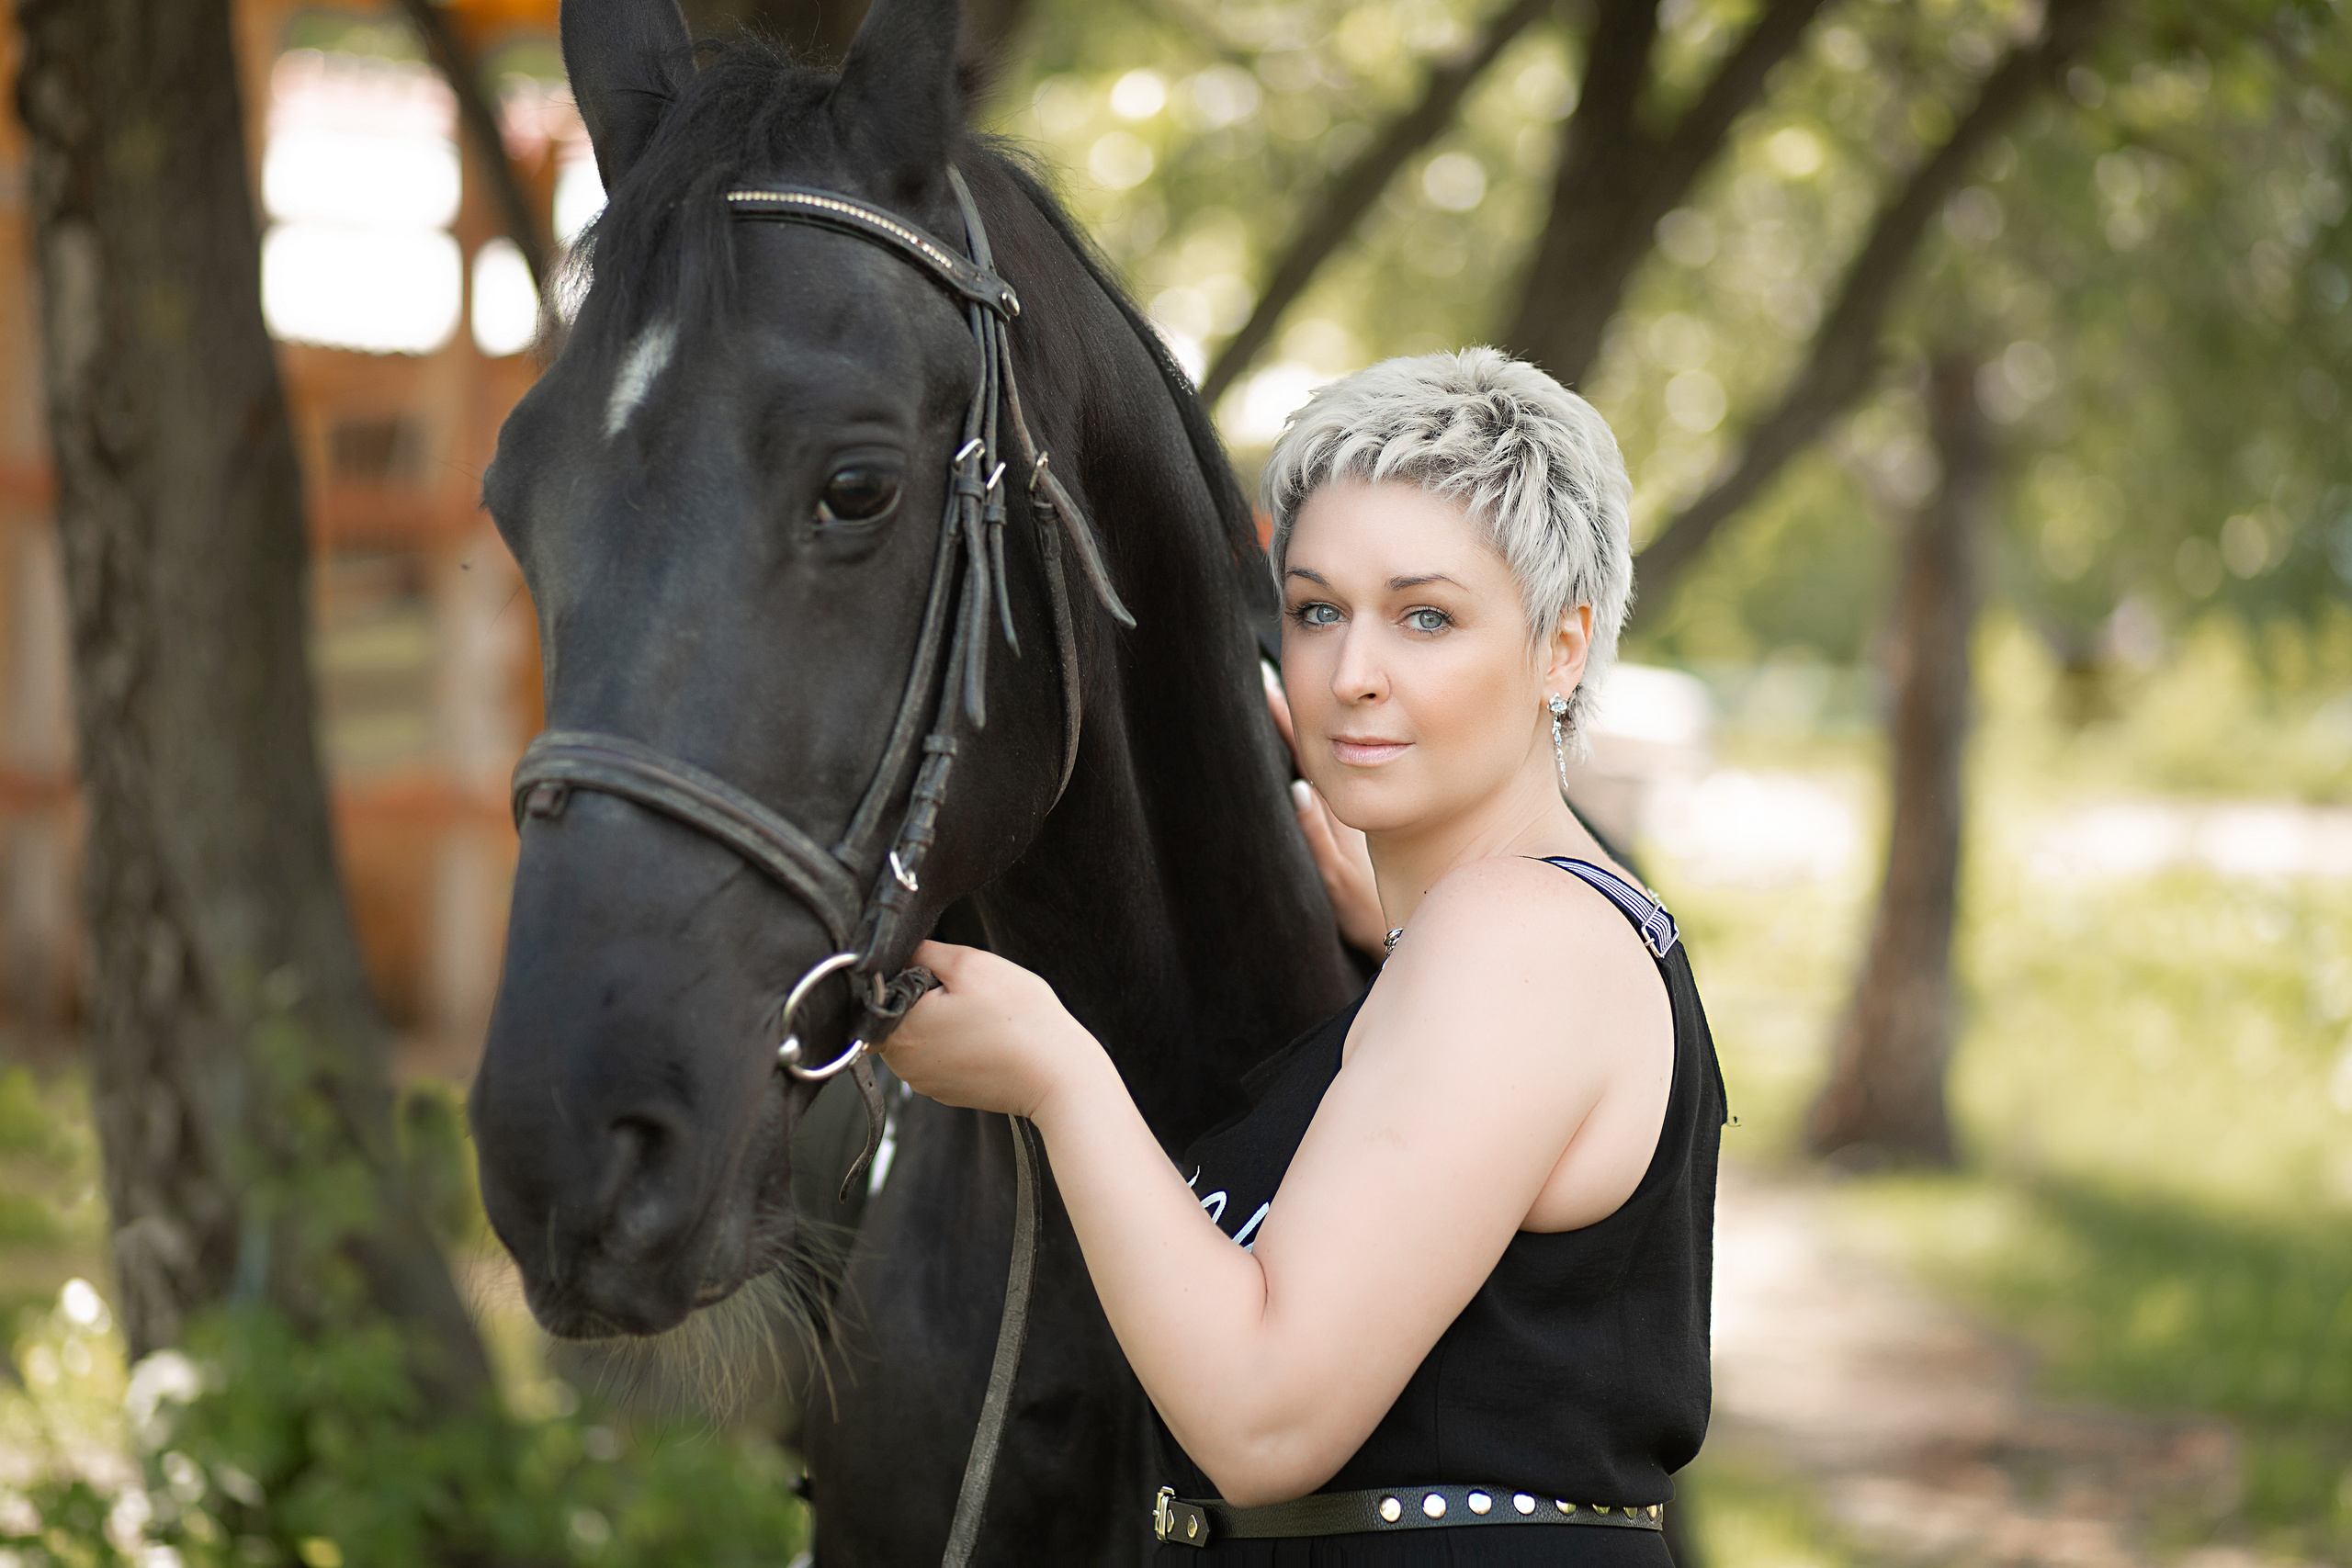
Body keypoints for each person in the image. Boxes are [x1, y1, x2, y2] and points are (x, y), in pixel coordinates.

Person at [880, 347, 1725, 1562]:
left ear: (1563, 650)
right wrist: (1399, 935)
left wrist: (1054, 1077)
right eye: (1319, 610)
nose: (1353, 675)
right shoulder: (1530, 938)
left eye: (1426, 616)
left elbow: (1264, 1420)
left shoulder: (1513, 944)